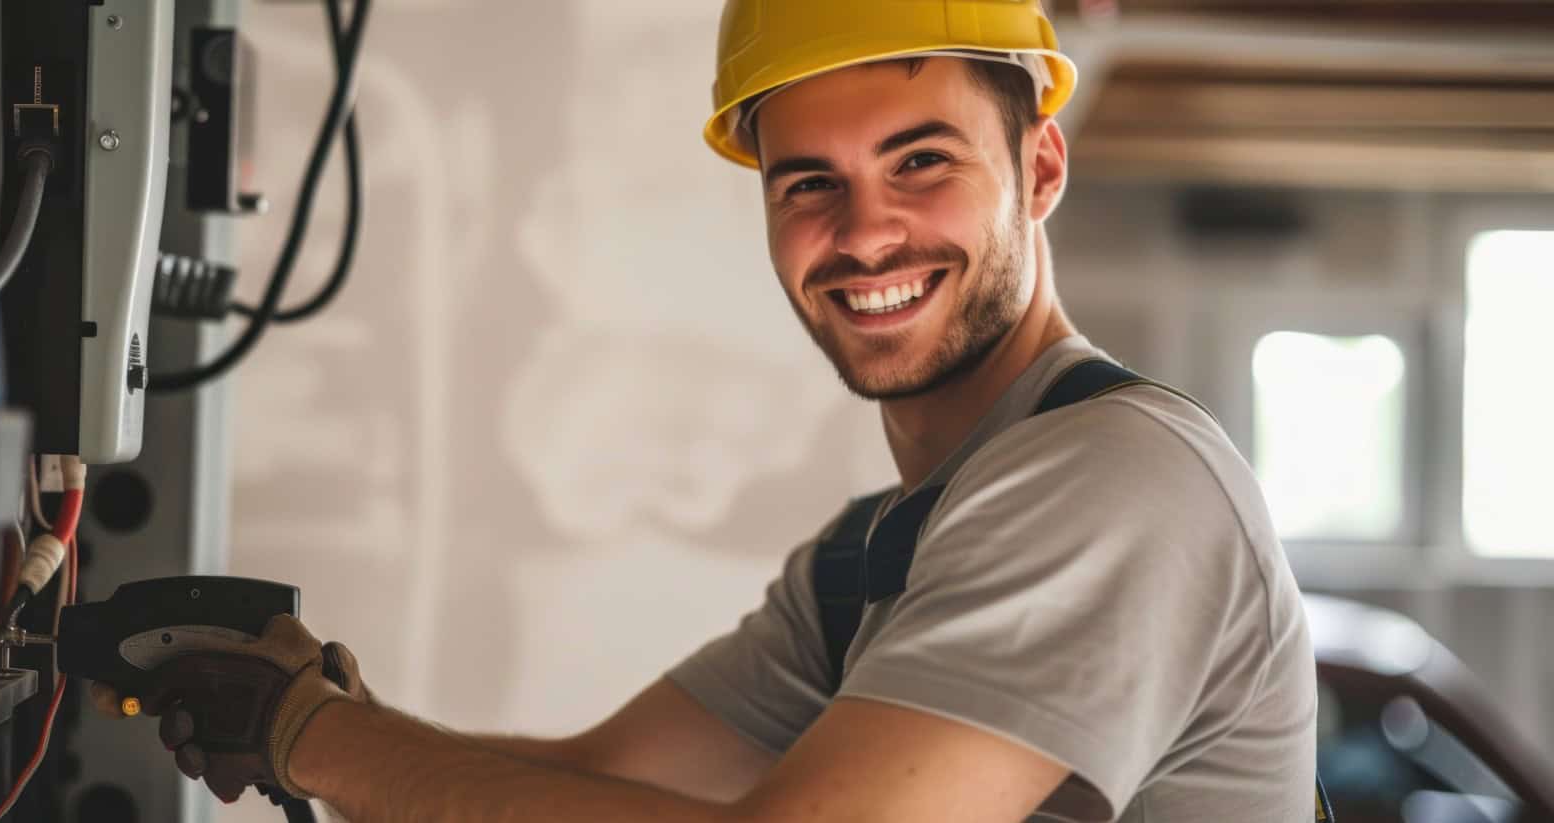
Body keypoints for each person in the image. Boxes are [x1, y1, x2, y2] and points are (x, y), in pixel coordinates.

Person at [95, 1, 1318, 820]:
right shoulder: (864, 566)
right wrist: (333, 708)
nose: (863, 232)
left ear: (1039, 169)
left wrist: (309, 733)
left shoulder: (1119, 482)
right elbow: (593, 780)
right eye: (810, 184)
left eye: (921, 162)